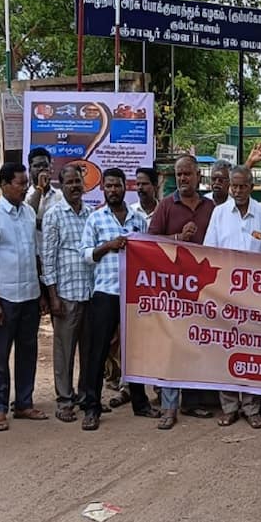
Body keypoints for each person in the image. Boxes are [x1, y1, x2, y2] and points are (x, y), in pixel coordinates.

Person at [204, 165, 261, 429]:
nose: (237, 191)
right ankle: (229, 406)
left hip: (255, 298)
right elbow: (209, 254)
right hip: (224, 296)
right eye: (233, 186)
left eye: (242, 186)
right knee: (225, 350)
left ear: (251, 187)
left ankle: (252, 407)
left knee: (253, 352)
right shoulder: (218, 214)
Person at [79, 168, 152, 431]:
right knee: (97, 352)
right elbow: (86, 255)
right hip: (105, 293)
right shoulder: (96, 219)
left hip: (132, 295)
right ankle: (91, 407)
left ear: (125, 187)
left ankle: (140, 403)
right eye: (108, 186)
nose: (112, 190)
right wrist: (109, 245)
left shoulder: (138, 219)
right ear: (103, 190)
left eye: (117, 186)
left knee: (135, 351)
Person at [148, 155, 217, 429]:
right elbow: (149, 242)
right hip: (172, 290)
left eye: (188, 174)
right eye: (179, 175)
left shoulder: (211, 207)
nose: (183, 179)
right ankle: (168, 406)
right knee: (171, 347)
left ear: (198, 176)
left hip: (204, 291)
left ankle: (192, 402)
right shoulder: (166, 205)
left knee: (195, 345)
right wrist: (177, 239)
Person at [0, 162, 48, 432]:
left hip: (29, 294)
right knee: (0, 355)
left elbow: (35, 255)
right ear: (4, 184)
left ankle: (23, 403)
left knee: (28, 351)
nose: (25, 188)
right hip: (5, 297)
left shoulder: (29, 214)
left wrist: (41, 293)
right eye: (20, 183)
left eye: (25, 183)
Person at [42, 164, 94, 423]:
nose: (74, 186)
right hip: (65, 294)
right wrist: (52, 296)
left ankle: (85, 397)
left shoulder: (92, 214)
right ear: (61, 186)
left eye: (78, 181)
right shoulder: (54, 215)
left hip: (89, 292)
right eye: (69, 182)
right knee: (64, 351)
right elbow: (48, 257)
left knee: (88, 349)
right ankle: (64, 400)